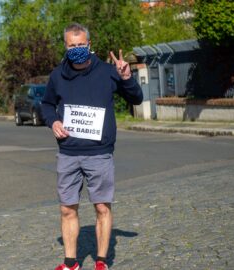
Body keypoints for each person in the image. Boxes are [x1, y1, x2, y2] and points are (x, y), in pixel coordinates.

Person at [41, 23, 143, 270]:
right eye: (71, 45)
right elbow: (46, 105)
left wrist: (126, 77)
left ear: (90, 45)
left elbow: (136, 98)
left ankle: (101, 261)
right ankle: (70, 263)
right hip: (68, 152)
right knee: (67, 209)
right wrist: (53, 121)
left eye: (81, 44)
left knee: (101, 207)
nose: (77, 49)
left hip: (100, 153)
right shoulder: (57, 75)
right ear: (65, 47)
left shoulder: (109, 72)